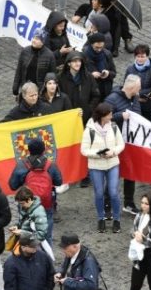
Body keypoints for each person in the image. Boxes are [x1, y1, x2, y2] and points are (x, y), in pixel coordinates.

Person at [81, 102, 125, 233]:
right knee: (99, 193)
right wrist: (99, 154)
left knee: (114, 192)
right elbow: (84, 150)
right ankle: (101, 218)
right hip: (96, 166)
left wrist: (113, 152)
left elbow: (121, 144)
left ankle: (116, 219)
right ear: (102, 115)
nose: (111, 116)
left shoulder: (114, 127)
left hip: (112, 163)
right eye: (109, 114)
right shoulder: (89, 130)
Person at [105, 75, 142, 215]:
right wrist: (120, 116)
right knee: (113, 174)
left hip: (130, 144)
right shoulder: (112, 99)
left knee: (130, 172)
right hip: (115, 144)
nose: (140, 89)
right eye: (138, 86)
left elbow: (138, 115)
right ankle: (107, 204)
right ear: (132, 87)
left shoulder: (135, 98)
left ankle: (129, 203)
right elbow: (101, 118)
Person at [57, 50, 100, 123]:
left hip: (84, 116)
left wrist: (88, 110)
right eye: (74, 61)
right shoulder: (61, 78)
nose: (78, 63)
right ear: (69, 63)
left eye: (79, 61)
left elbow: (96, 95)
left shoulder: (88, 77)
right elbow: (58, 96)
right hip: (67, 116)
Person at [13, 30, 56, 96]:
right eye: (34, 38)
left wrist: (48, 91)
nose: (34, 40)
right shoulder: (25, 51)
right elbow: (19, 70)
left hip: (40, 91)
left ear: (43, 42)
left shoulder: (50, 55)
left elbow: (52, 76)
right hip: (25, 88)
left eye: (37, 39)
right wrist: (15, 87)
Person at [83, 33, 117, 101]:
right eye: (96, 47)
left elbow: (114, 73)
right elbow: (80, 74)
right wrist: (91, 75)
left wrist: (108, 73)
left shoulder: (107, 54)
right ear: (91, 44)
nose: (99, 50)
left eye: (101, 47)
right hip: (91, 92)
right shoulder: (84, 56)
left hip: (105, 90)